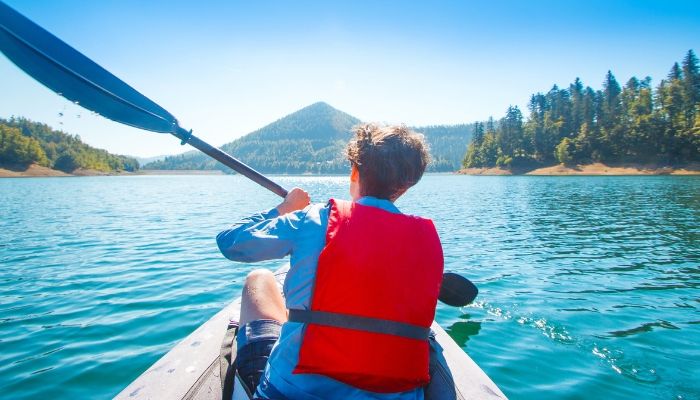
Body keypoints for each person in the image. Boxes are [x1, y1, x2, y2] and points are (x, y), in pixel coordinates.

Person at [217, 123, 444, 399]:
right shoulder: (426, 240)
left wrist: (285, 209)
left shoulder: (313, 219)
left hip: (290, 392)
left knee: (259, 279)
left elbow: (230, 242)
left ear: (355, 172)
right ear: (406, 187)